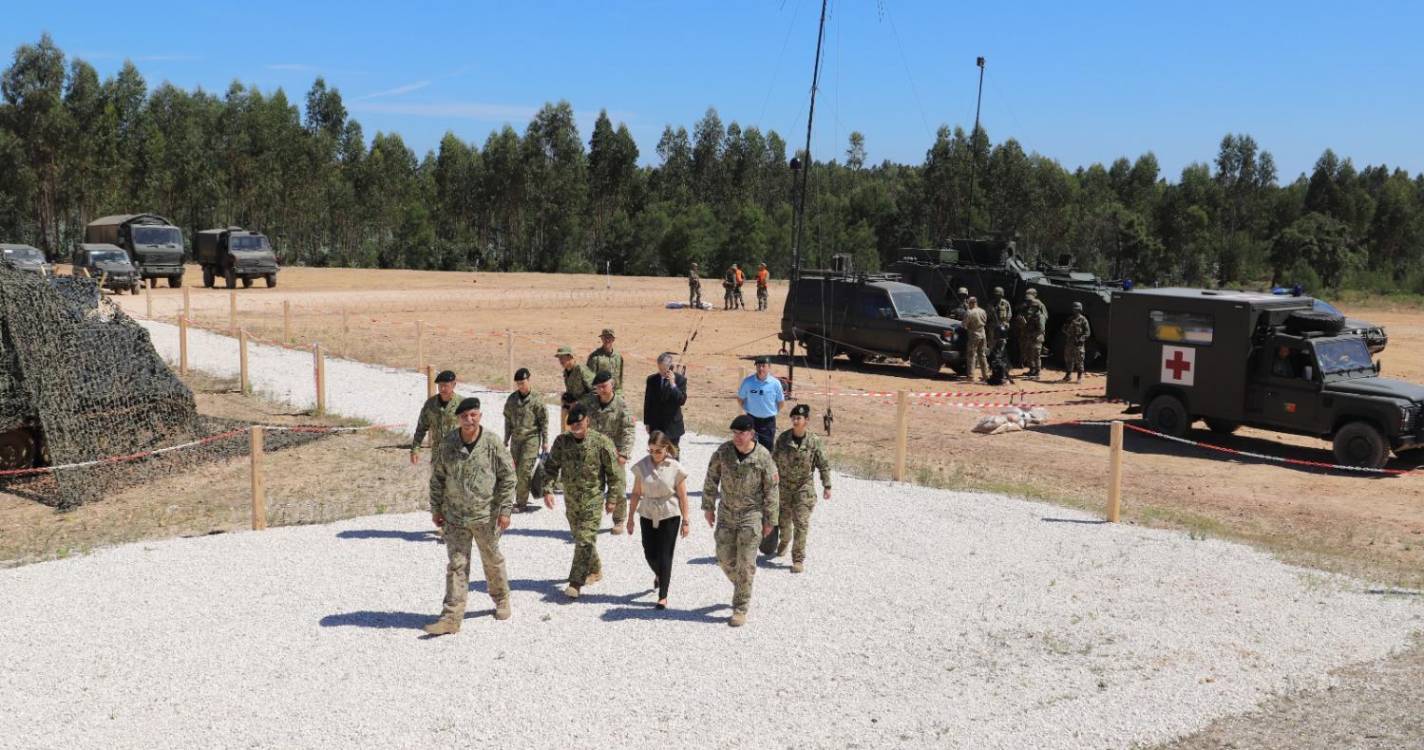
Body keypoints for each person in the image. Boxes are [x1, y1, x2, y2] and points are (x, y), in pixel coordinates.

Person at [423, 397, 515, 636]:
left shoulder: (492, 443)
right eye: (464, 416)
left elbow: (508, 477)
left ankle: (501, 599)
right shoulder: (448, 444)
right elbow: (437, 478)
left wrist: (505, 510)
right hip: (455, 517)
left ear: (480, 416)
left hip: (486, 516)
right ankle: (451, 617)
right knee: (457, 565)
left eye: (473, 415)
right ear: (458, 419)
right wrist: (436, 508)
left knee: (492, 560)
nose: (469, 420)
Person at [537, 405, 624, 599]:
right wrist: (548, 490)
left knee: (584, 539)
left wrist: (612, 499)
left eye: (579, 423)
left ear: (587, 421)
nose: (576, 427)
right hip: (571, 501)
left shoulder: (601, 442)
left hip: (593, 500)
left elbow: (614, 474)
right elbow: (551, 467)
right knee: (581, 538)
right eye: (572, 425)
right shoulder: (562, 441)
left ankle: (575, 583)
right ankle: (595, 569)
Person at [703, 414, 779, 627]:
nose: (737, 437)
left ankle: (740, 607)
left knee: (746, 563)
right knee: (723, 558)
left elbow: (772, 490)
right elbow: (711, 479)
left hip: (751, 515)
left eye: (741, 433)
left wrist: (770, 520)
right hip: (726, 513)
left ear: (752, 433)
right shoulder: (723, 452)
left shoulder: (763, 457)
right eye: (734, 433)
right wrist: (708, 506)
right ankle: (743, 586)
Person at [626, 431, 690, 609]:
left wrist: (686, 520)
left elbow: (683, 496)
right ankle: (660, 574)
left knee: (665, 554)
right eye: (651, 450)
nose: (654, 454)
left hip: (669, 513)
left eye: (658, 451)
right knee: (649, 552)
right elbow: (636, 493)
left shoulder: (675, 467)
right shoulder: (642, 466)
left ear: (666, 448)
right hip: (647, 512)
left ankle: (663, 595)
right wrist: (630, 518)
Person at [771, 404, 831, 573]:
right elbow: (773, 462)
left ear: (807, 420)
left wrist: (827, 485)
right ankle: (784, 540)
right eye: (794, 418)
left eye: (799, 418)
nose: (796, 421)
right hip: (784, 488)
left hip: (804, 487)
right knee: (784, 522)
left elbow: (823, 464)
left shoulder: (814, 441)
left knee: (801, 523)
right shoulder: (783, 439)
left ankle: (798, 559)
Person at [579, 371, 635, 534]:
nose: (601, 390)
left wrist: (624, 453)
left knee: (618, 488)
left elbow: (629, 429)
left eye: (604, 386)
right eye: (598, 387)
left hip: (614, 454)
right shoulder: (589, 403)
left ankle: (619, 520)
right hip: (593, 453)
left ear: (612, 385)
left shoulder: (621, 405)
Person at [502, 368, 548, 512]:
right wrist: (506, 438)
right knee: (514, 470)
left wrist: (545, 441)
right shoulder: (512, 399)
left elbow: (544, 422)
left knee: (524, 470)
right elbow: (508, 420)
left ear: (529, 380)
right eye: (518, 384)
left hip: (531, 439)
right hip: (516, 440)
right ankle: (519, 496)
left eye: (523, 383)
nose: (521, 386)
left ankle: (521, 503)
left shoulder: (537, 400)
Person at [410, 369, 459, 464]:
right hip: (437, 456)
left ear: (454, 385)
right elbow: (421, 428)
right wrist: (415, 449)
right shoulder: (430, 404)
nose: (442, 389)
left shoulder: (462, 404)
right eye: (440, 386)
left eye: (446, 386)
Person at [737, 355, 785, 451]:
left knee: (766, 450)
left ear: (769, 367)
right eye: (758, 366)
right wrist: (747, 409)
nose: (760, 368)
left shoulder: (775, 383)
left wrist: (771, 412)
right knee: (748, 448)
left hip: (768, 422)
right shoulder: (748, 382)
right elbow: (740, 399)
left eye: (763, 366)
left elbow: (781, 402)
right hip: (751, 420)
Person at [643, 352, 688, 447]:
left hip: (672, 427)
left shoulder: (680, 380)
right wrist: (647, 422)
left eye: (664, 369)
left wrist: (673, 385)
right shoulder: (651, 380)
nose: (662, 372)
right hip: (656, 426)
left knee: (673, 453)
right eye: (660, 369)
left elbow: (681, 400)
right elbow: (647, 402)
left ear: (670, 367)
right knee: (656, 451)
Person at [556, 345, 595, 430]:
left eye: (562, 357)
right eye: (559, 358)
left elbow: (595, 391)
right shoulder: (566, 372)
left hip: (586, 410)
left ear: (570, 356)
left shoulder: (581, 370)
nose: (560, 361)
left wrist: (578, 402)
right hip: (573, 409)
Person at [586, 328, 625, 395]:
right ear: (602, 339)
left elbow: (620, 379)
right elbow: (590, 379)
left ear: (613, 339)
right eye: (605, 338)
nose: (607, 340)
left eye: (609, 337)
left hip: (616, 393)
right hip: (601, 394)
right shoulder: (595, 357)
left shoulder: (618, 357)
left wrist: (620, 394)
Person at [1061, 301, 1091, 383]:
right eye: (1074, 309)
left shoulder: (1083, 320)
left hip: (1078, 343)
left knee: (1079, 359)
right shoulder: (1069, 319)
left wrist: (1081, 339)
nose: (1075, 310)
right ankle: (1068, 375)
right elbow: (1063, 328)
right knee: (1068, 358)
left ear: (1080, 309)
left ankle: (1080, 376)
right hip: (1069, 342)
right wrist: (1067, 332)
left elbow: (1087, 332)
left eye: (1077, 309)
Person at [1021, 288, 1048, 377]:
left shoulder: (1040, 316)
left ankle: (1037, 372)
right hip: (1031, 336)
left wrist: (1032, 334)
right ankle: (1032, 370)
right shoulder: (1033, 315)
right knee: (1029, 354)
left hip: (1037, 338)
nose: (1030, 307)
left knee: (1036, 355)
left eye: (1032, 306)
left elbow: (1041, 329)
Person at [963, 297, 990, 383]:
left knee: (971, 355)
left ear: (971, 303)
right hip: (983, 335)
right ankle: (986, 375)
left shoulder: (969, 312)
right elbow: (985, 321)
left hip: (973, 336)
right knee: (982, 355)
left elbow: (964, 325)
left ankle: (970, 376)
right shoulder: (982, 311)